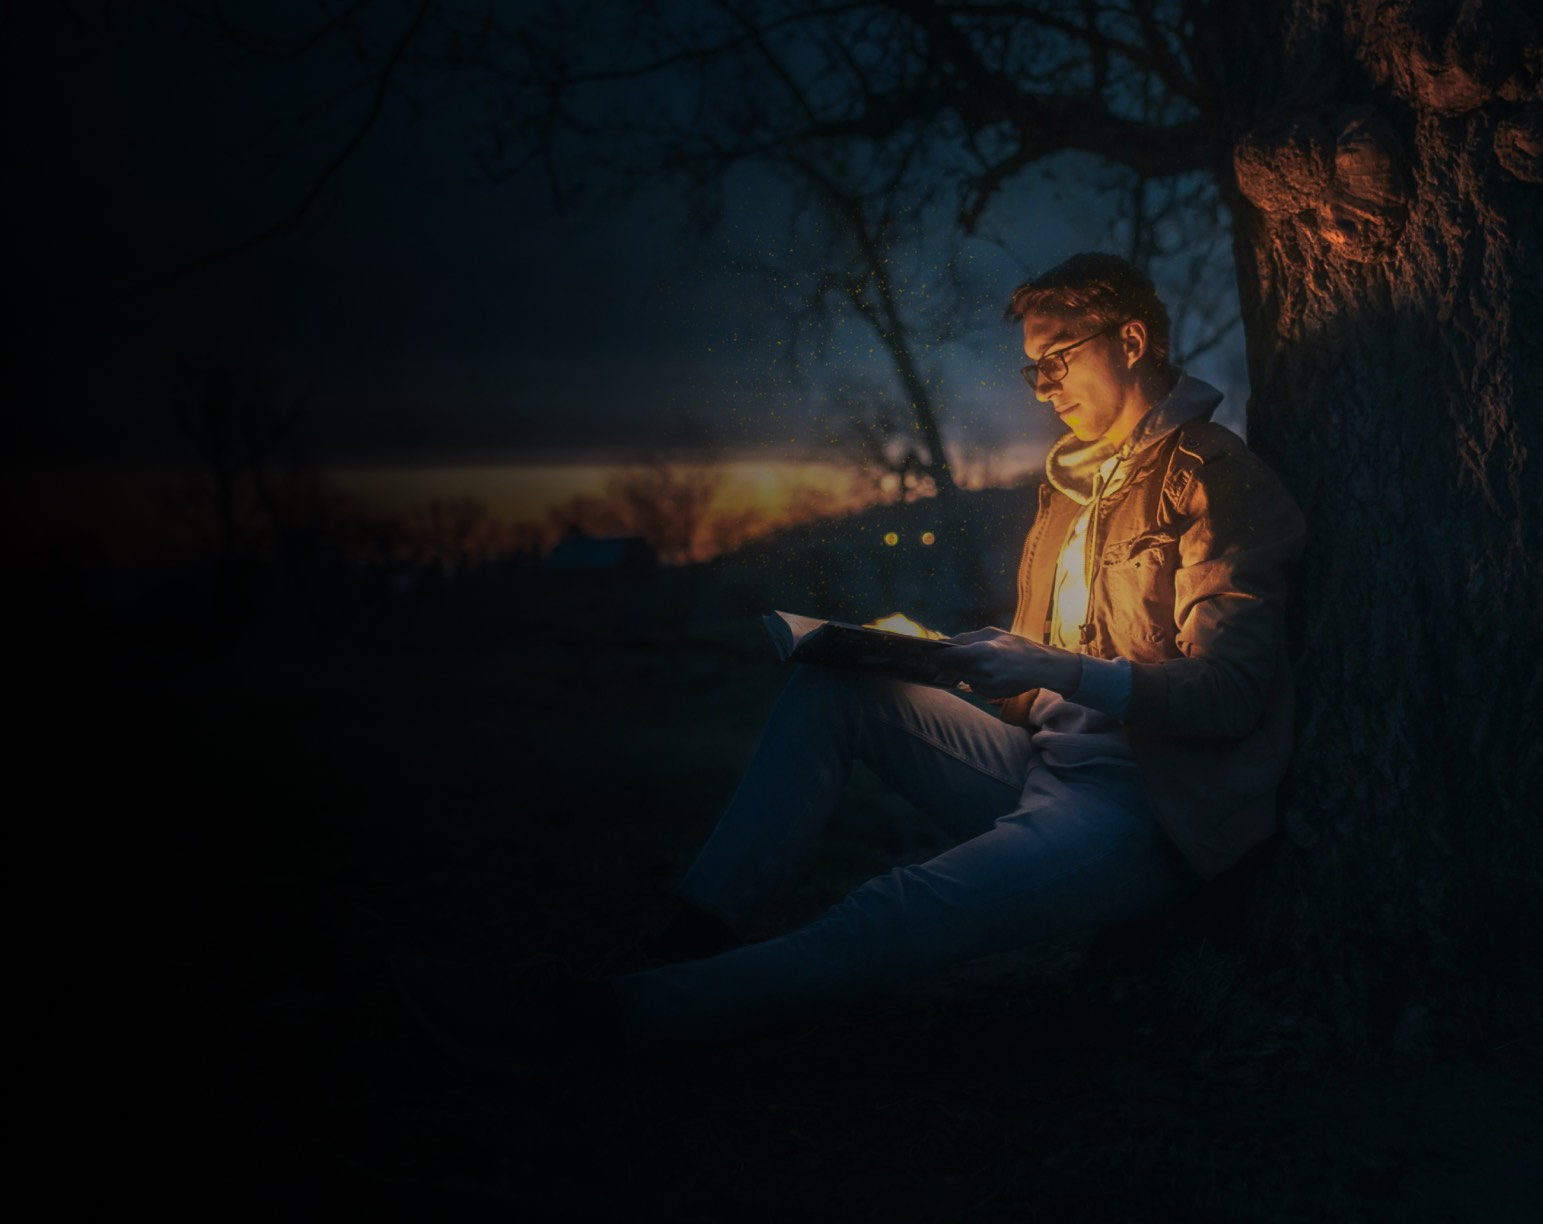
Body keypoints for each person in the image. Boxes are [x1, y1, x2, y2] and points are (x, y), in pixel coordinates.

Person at [404, 252, 1306, 1064]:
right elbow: (1051, 671)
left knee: (901, 905)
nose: (1040, 386)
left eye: (1056, 358)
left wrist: (1053, 670)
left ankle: (614, 1019)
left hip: (1149, 810)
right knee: (832, 687)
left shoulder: (1214, 480)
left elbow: (1228, 696)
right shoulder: (1067, 490)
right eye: (1030, 367)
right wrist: (954, 662)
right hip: (1046, 766)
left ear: (1132, 338)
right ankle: (681, 938)